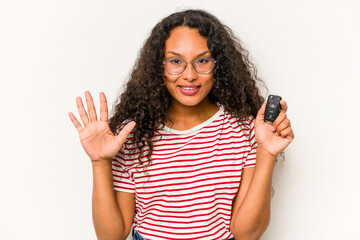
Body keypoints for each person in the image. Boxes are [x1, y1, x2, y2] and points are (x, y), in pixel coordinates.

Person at [69, 9, 294, 240]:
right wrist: (100, 162)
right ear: (159, 67)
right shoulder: (131, 135)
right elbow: (111, 236)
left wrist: (266, 152)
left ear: (219, 66)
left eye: (203, 61)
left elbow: (247, 234)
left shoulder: (244, 130)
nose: (189, 75)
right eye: (176, 61)